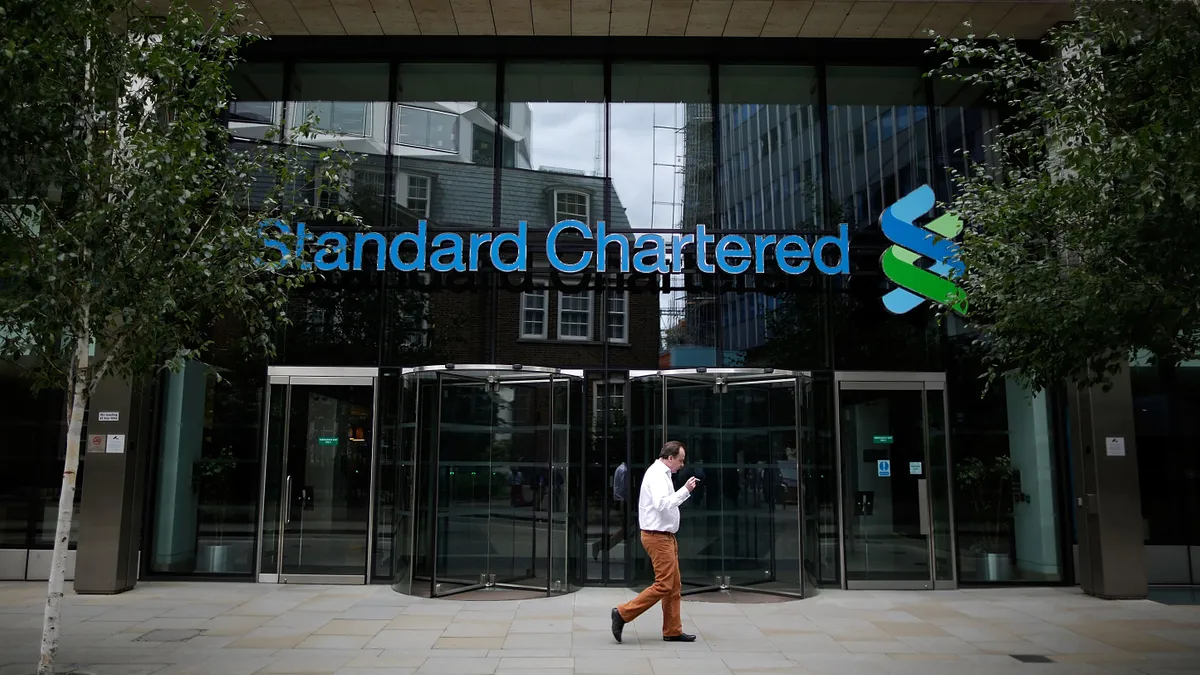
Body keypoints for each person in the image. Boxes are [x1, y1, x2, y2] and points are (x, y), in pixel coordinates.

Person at [610, 441, 698, 644]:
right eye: (680, 460)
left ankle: (673, 630)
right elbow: (661, 504)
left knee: (673, 586)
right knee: (664, 584)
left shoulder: (661, 473)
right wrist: (685, 490)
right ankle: (622, 613)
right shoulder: (658, 475)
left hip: (664, 536)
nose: (681, 465)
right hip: (658, 536)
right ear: (669, 458)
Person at [592, 460, 630, 560]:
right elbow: (624, 489)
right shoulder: (624, 470)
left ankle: (600, 545)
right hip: (623, 502)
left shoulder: (621, 468)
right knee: (627, 530)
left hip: (620, 501)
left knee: (626, 530)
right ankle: (600, 545)